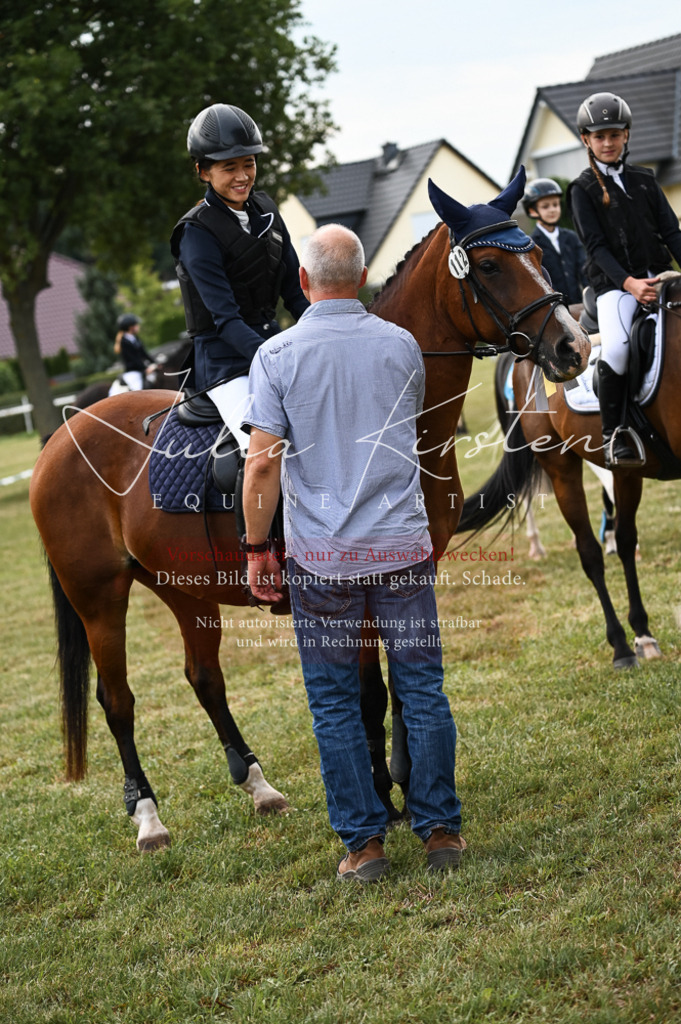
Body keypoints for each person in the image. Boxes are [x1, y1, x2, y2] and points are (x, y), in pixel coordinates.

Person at [240, 224, 464, 883]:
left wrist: (257, 548)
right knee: (422, 688)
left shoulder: (276, 357)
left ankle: (363, 847)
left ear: (303, 283)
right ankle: (440, 832)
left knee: (334, 700)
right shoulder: (400, 346)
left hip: (324, 559)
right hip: (400, 549)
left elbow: (260, 469)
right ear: (361, 278)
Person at [170, 102, 309, 455]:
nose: (243, 176)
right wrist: (277, 357)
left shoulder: (268, 213)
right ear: (203, 172)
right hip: (226, 367)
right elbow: (226, 320)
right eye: (229, 167)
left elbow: (296, 295)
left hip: (269, 350)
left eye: (249, 164)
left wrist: (330, 334)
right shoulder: (196, 233)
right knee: (265, 454)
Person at [567, 91, 681, 467]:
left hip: (662, 278)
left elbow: (672, 231)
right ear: (586, 140)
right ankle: (614, 433)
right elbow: (596, 248)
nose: (607, 142)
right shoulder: (581, 189)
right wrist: (629, 283)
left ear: (627, 135)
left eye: (614, 134)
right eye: (599, 136)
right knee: (617, 348)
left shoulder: (646, 180)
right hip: (615, 288)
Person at [523, 178, 586, 305]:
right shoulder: (531, 244)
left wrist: (589, 292)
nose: (552, 210)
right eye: (545, 206)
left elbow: (584, 269)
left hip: (580, 304)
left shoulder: (571, 237)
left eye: (555, 205)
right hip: (553, 308)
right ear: (532, 211)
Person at [110, 314, 156, 393]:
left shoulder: (135, 339)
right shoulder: (123, 342)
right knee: (137, 391)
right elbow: (133, 359)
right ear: (130, 327)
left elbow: (144, 354)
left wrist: (154, 362)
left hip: (141, 370)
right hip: (133, 372)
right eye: (136, 325)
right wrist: (145, 369)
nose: (138, 327)